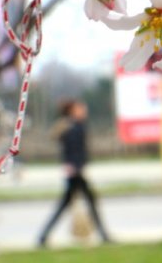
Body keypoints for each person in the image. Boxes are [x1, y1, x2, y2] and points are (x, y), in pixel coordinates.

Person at [38, 99, 111, 246]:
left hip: (76, 171)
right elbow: (72, 150)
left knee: (70, 203)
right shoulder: (72, 128)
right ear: (73, 111)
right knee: (86, 202)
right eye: (80, 108)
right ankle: (104, 236)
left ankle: (43, 236)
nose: (84, 111)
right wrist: (74, 167)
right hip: (75, 172)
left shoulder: (74, 126)